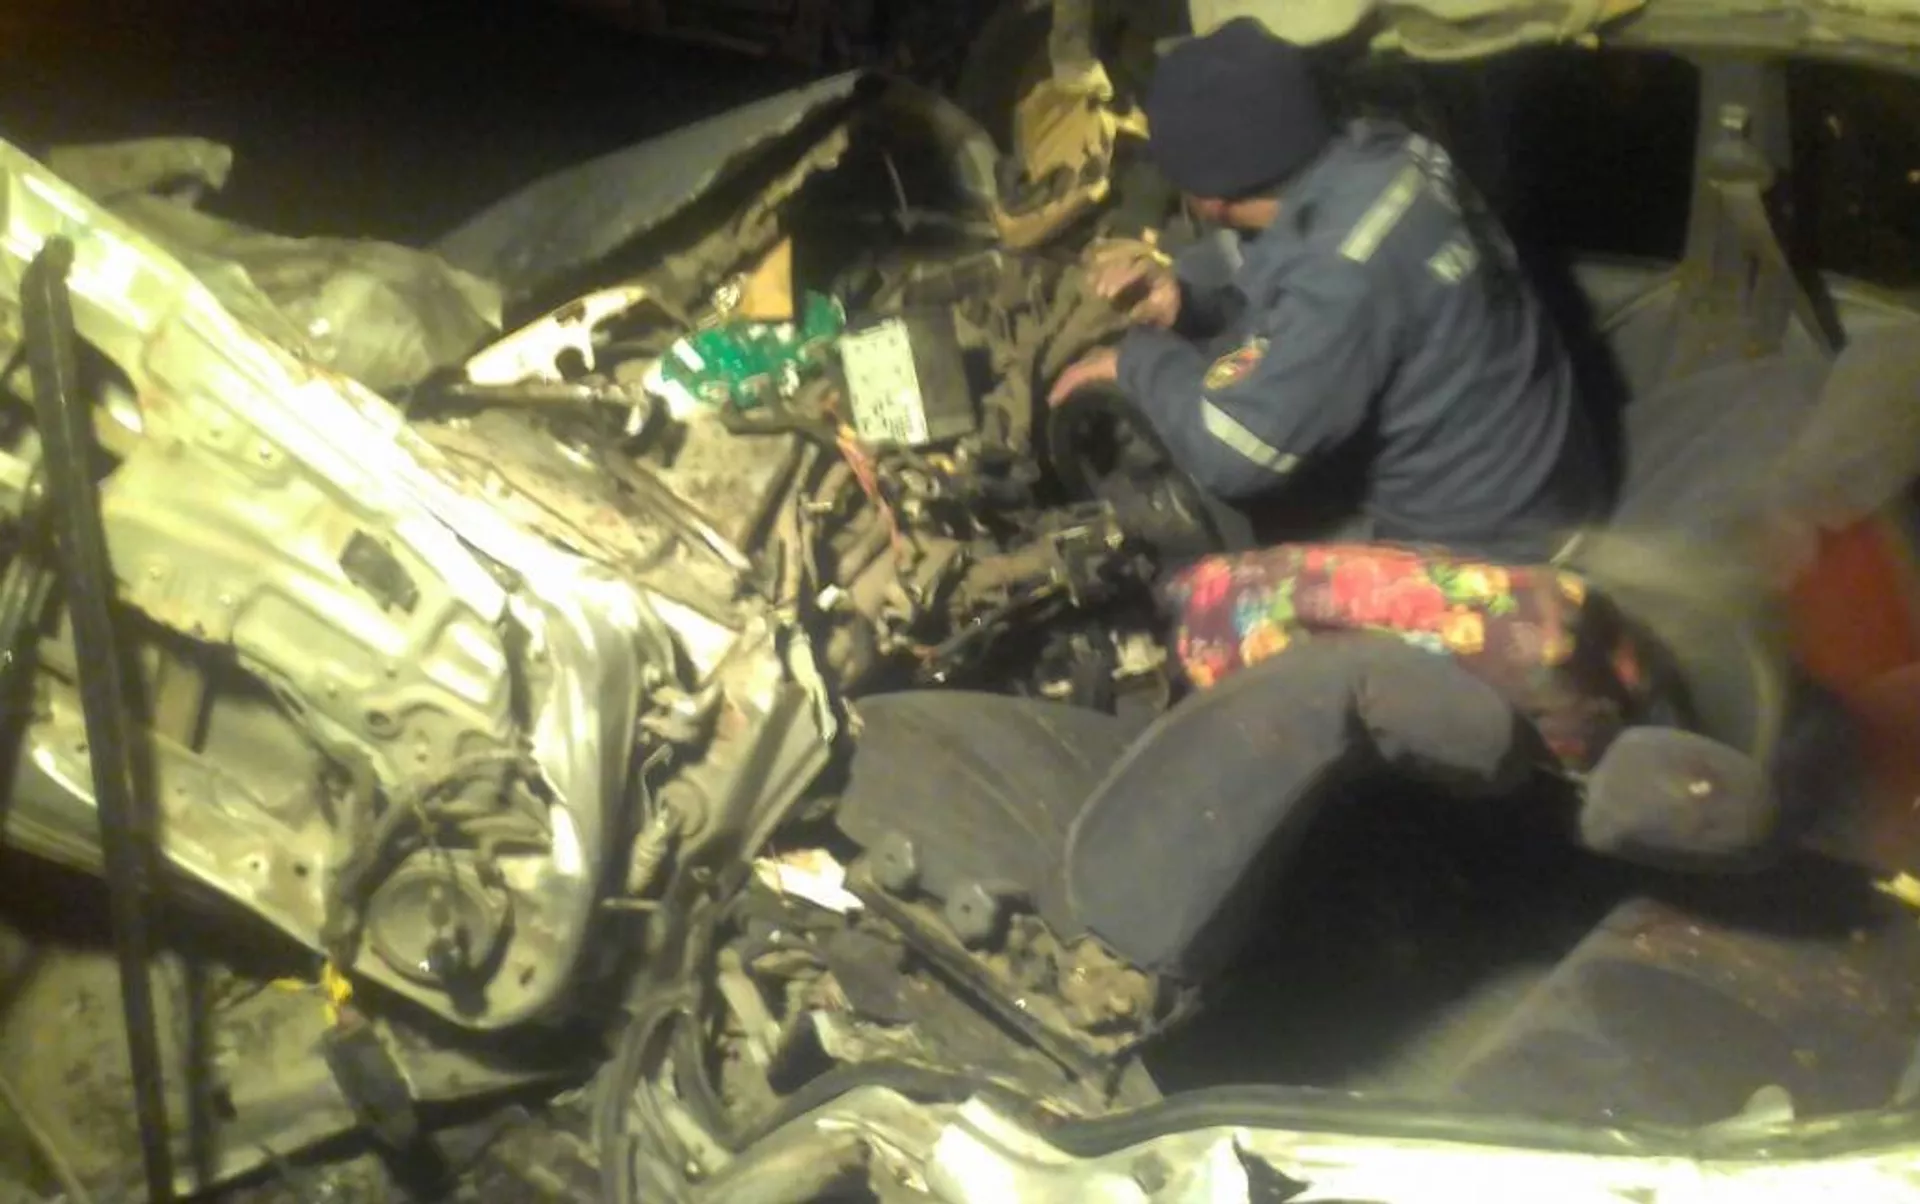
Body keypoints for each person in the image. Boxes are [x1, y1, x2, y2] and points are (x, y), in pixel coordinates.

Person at [1048, 18, 1607, 565]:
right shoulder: (1390, 153)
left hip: (1496, 547)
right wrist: (1188, 306)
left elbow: (1235, 452)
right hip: (1547, 473)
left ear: (1209, 198)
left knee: (1210, 598)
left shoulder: (1342, 271)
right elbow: (1297, 297)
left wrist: (1135, 362)